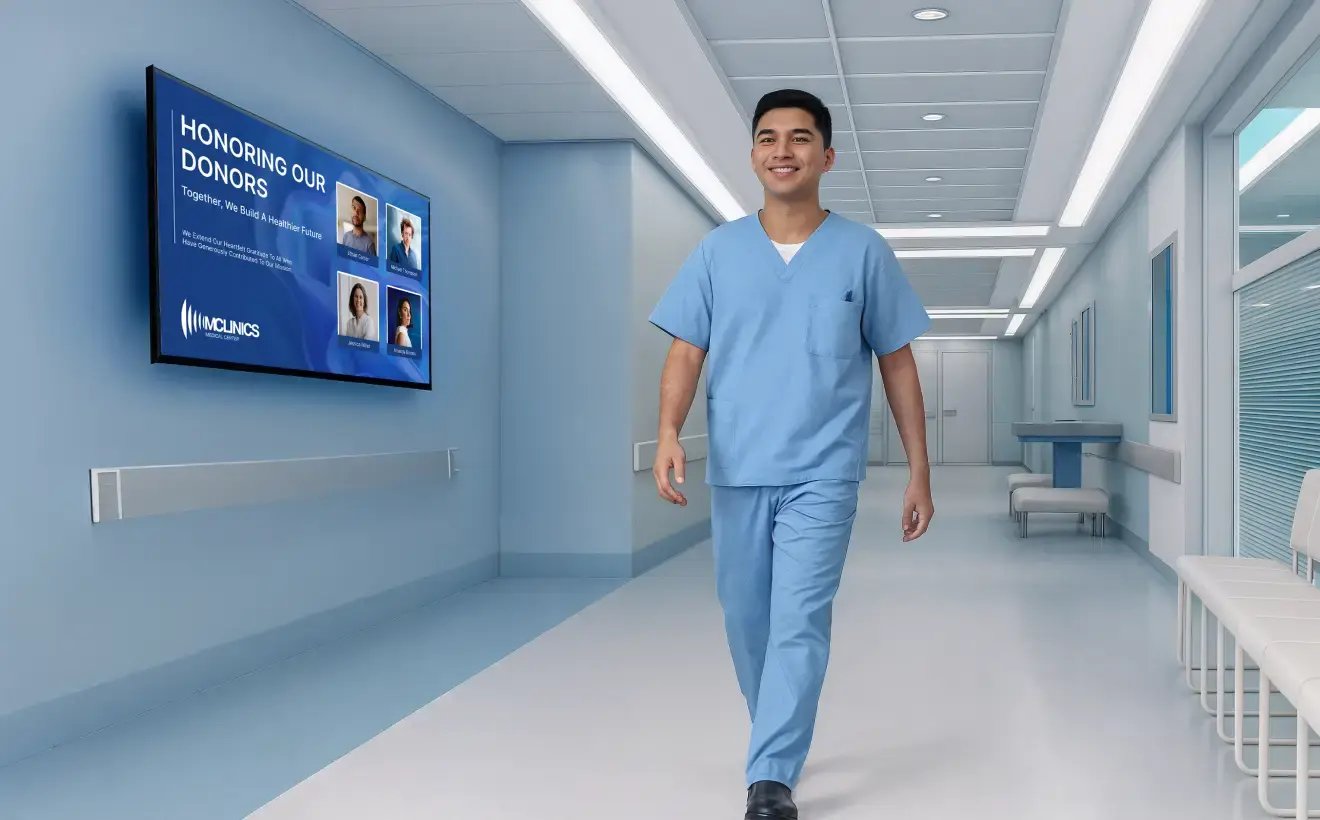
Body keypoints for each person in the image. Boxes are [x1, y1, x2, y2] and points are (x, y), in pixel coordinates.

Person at [647, 89, 934, 820]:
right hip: (740, 467)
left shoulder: (862, 251)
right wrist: (672, 433)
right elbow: (686, 351)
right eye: (769, 138)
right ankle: (774, 738)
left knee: (799, 618)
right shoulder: (718, 251)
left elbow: (896, 362)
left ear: (827, 157)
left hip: (824, 472)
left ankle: (770, 778)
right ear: (752, 155)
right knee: (747, 619)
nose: (784, 150)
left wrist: (919, 470)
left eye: (801, 138)